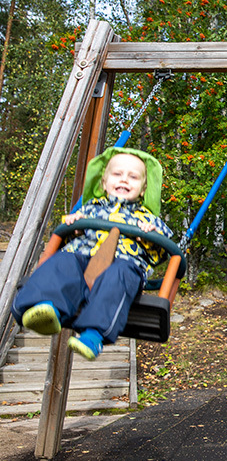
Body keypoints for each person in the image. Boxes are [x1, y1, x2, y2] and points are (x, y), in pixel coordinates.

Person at [12, 147, 172, 360]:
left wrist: (151, 236)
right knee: (63, 262)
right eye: (117, 174)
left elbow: (163, 252)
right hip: (82, 257)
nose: (124, 180)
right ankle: (47, 308)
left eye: (133, 177)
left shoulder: (147, 219)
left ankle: (93, 336)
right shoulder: (89, 209)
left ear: (143, 189)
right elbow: (67, 236)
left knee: (119, 277)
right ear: (104, 183)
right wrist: (73, 226)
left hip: (123, 263)